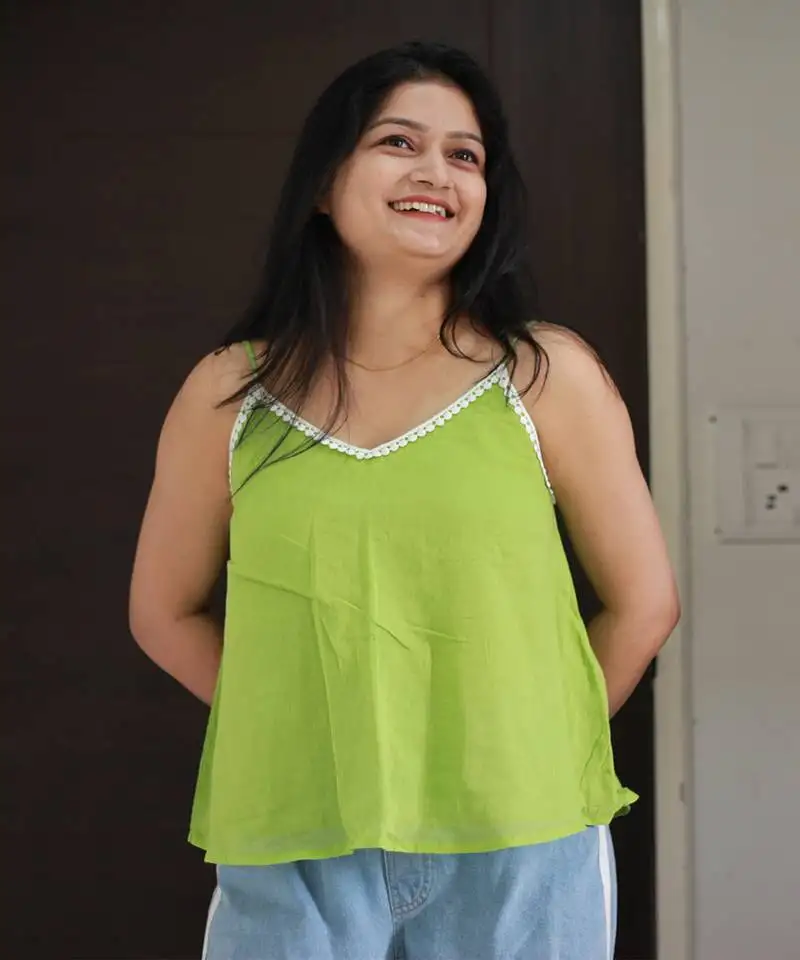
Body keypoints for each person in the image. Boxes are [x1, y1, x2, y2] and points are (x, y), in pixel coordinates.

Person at [130, 41, 679, 960]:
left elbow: (644, 603)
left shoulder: (546, 375)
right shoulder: (228, 393)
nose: (436, 172)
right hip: (294, 840)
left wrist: (530, 742)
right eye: (398, 142)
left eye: (464, 155)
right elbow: (162, 610)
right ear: (322, 183)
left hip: (522, 842)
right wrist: (303, 725)